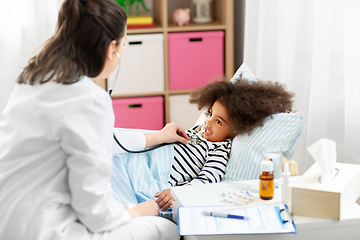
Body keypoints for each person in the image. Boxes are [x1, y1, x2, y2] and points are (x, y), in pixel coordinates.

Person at [0, 0, 189, 239]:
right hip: (46, 230)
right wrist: (138, 211)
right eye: (124, 43)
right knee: (168, 229)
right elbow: (96, 213)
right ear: (112, 48)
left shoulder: (33, 77)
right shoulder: (89, 100)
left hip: (7, 220)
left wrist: (158, 136)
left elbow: (102, 140)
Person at [154, 78, 294, 210]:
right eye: (210, 114)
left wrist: (178, 192)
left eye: (219, 121)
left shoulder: (220, 149)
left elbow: (208, 179)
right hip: (151, 158)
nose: (208, 122)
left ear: (235, 129)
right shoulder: (197, 130)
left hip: (158, 179)